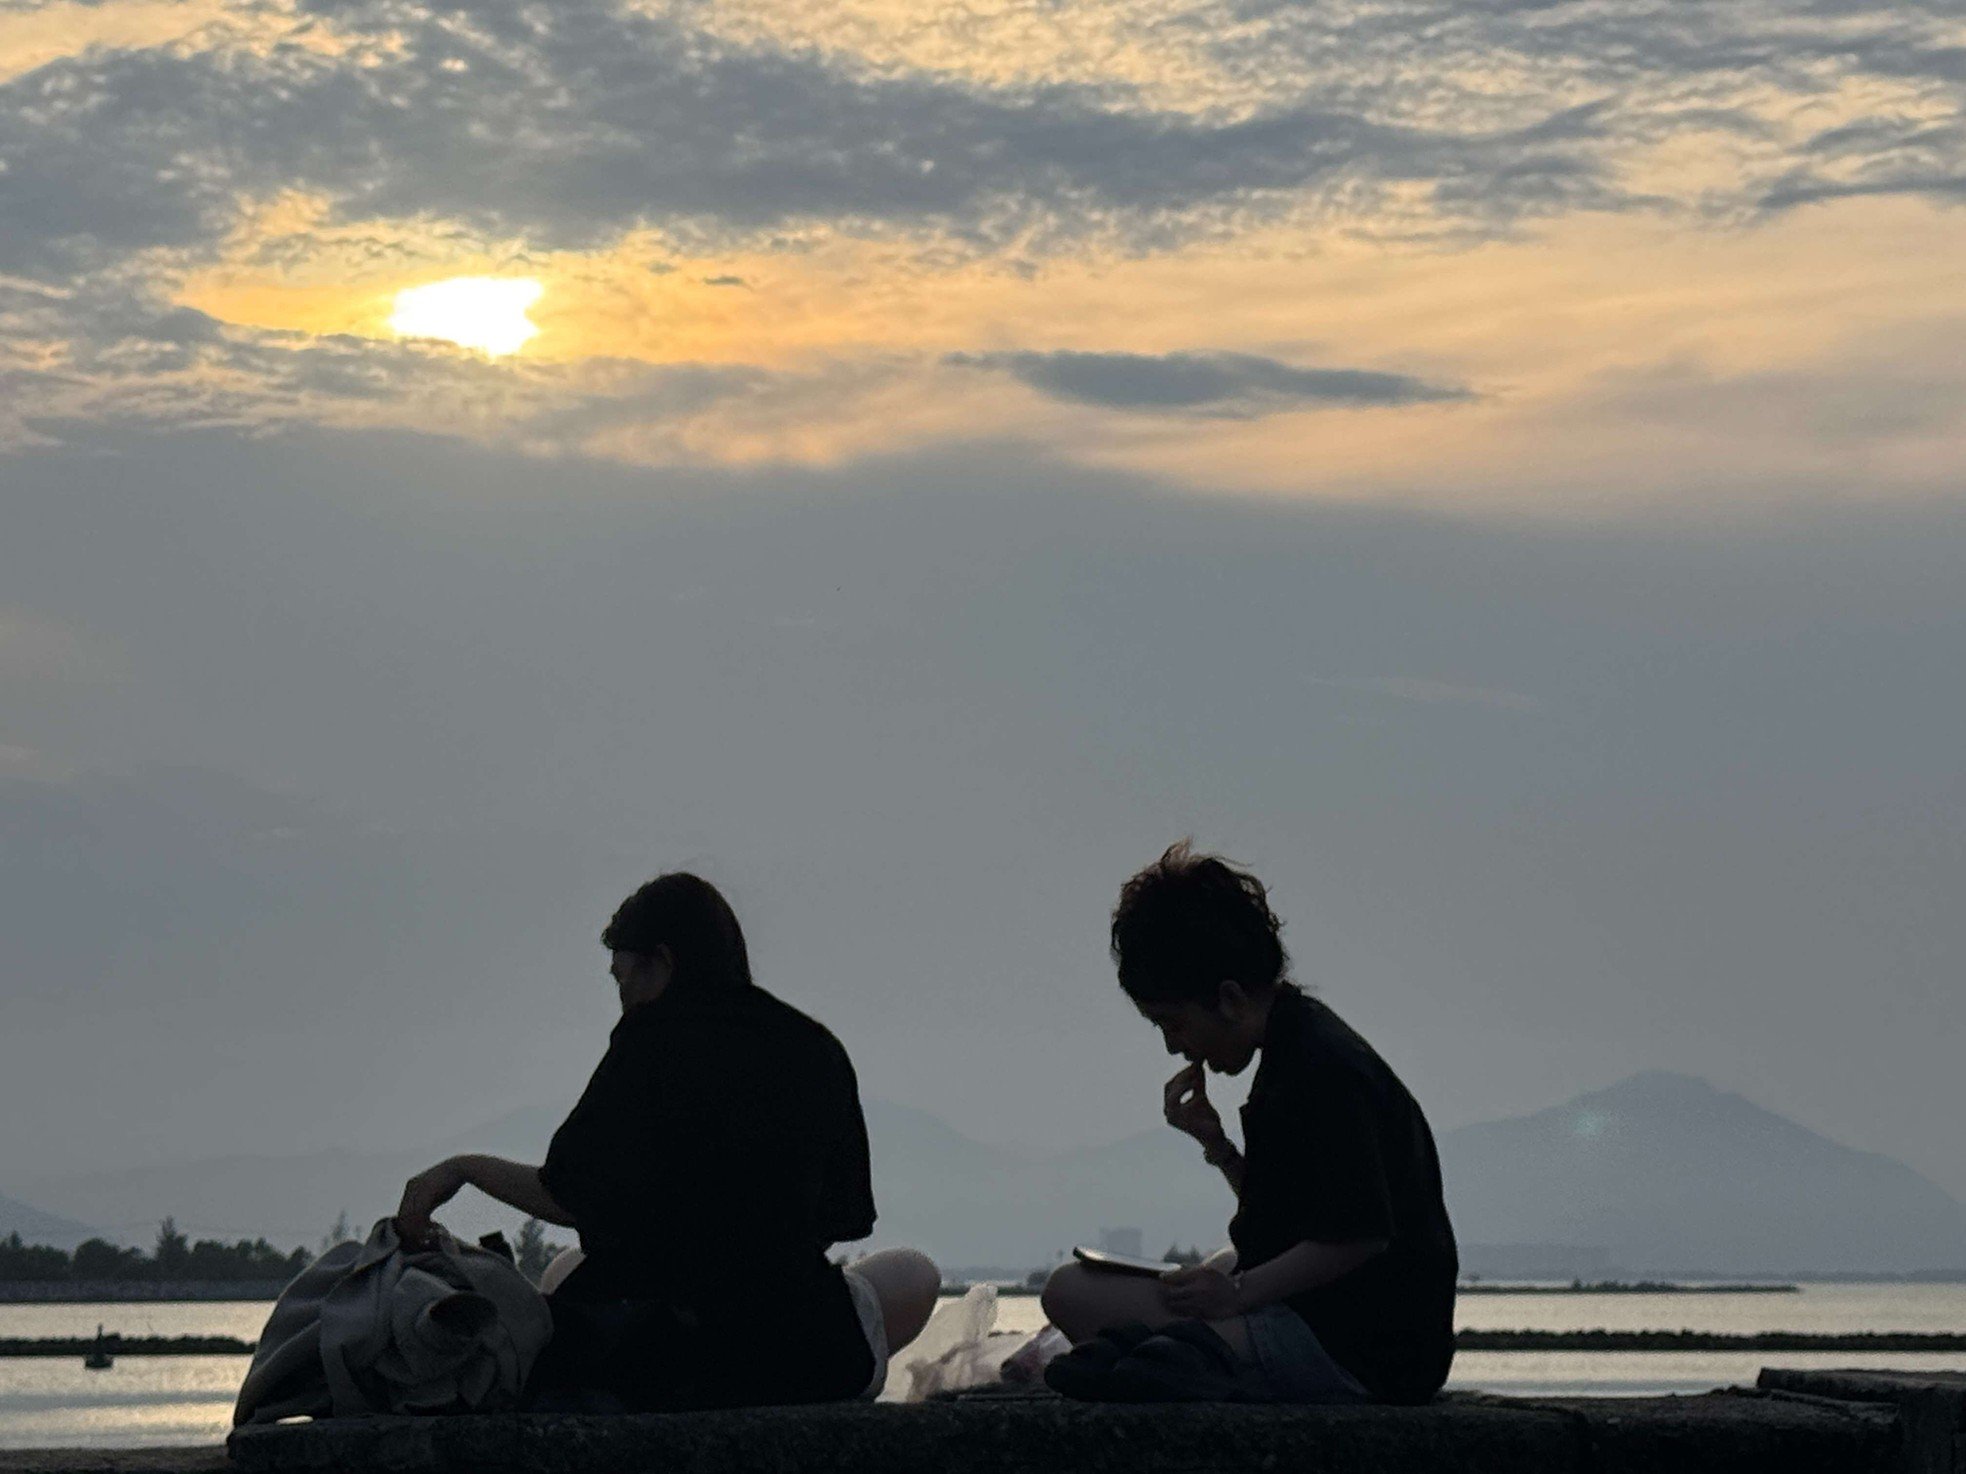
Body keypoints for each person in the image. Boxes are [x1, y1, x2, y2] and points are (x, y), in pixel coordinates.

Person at [396, 872, 940, 1409]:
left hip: (661, 1360)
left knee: (564, 1269)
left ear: (663, 962)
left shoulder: (651, 1043)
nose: (623, 998)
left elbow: (567, 1196)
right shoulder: (815, 1047)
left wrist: (464, 1169)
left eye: (623, 978)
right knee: (914, 1272)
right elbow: (841, 1218)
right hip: (806, 1355)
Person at [1039, 843, 1457, 1404]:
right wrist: (1218, 1147)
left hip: (1360, 1349)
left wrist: (1236, 1295)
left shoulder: (1323, 1069)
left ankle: (1190, 1361)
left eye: (1174, 1022)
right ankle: (1181, 1357)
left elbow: (1358, 1236)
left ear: (1229, 998)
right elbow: (1290, 1216)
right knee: (1089, 1294)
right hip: (1312, 1316)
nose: (1172, 1046)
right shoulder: (1294, 1046)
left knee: (1084, 1305)